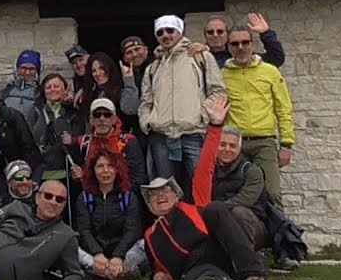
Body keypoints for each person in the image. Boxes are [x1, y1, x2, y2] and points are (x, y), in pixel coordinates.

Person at [140, 96, 269, 280]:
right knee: (200, 278)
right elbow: (155, 266)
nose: (160, 195)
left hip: (214, 251)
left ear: (177, 195)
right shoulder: (150, 236)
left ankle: (252, 275)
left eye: (165, 190)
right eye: (153, 194)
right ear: (150, 206)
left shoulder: (193, 208)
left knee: (215, 208)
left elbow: (206, 166)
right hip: (192, 271)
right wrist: (157, 279)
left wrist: (216, 126)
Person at [139, 14, 226, 200]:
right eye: (160, 32)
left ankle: (203, 227)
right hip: (162, 137)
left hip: (193, 134)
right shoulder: (153, 67)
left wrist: (201, 114)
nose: (165, 35)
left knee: (201, 187)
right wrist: (147, 121)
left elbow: (218, 91)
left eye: (170, 30)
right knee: (166, 192)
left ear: (179, 32)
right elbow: (146, 101)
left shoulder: (200, 57)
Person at [211, 127, 306, 270]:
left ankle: (246, 262)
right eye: (223, 144)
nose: (227, 149)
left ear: (239, 149)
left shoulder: (252, 171)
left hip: (254, 227)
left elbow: (245, 200)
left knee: (239, 212)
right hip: (219, 221)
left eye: (232, 146)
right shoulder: (208, 170)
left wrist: (214, 210)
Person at [221, 24, 296, 204]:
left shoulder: (270, 71)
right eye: (235, 43)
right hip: (234, 144)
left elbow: (283, 108)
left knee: (272, 194)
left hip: (264, 142)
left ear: (253, 44)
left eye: (245, 42)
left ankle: (279, 233)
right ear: (229, 47)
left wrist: (286, 144)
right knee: (238, 195)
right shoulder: (222, 74)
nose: (241, 47)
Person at [74, 149, 145, 280]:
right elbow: (84, 230)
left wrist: (118, 256)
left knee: (144, 244)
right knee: (70, 243)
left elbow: (132, 230)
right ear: (93, 170)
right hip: (94, 255)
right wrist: (97, 254)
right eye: (100, 166)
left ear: (117, 169)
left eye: (110, 166)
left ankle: (107, 273)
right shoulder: (84, 198)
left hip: (123, 254)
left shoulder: (129, 197)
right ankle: (113, 274)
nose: (105, 171)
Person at [73, 99, 148, 194]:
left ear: (114, 119)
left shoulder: (128, 141)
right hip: (93, 199)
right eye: (97, 115)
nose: (102, 119)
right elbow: (80, 178)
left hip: (124, 197)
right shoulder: (83, 143)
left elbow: (139, 176)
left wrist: (120, 195)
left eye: (107, 115)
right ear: (91, 120)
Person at [29, 73, 83, 187]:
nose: (52, 90)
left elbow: (82, 137)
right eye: (48, 87)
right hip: (44, 172)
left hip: (70, 172)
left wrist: (72, 140)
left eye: (56, 86)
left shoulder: (74, 111)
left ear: (65, 89)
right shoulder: (36, 112)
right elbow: (30, 138)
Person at [206, 13, 285, 69]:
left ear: (227, 34)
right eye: (210, 32)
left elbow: (276, 58)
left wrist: (266, 33)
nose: (215, 35)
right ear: (205, 35)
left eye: (220, 31)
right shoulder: (201, 57)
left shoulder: (241, 55)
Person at [82, 51, 129, 123]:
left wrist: (129, 81)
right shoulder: (91, 93)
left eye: (101, 68)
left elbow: (130, 109)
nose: (98, 73)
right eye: (94, 71)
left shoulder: (121, 89)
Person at [118, 36, 151, 133]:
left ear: (146, 50)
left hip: (159, 128)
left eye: (137, 49)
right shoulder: (122, 77)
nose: (135, 54)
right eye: (129, 52)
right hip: (136, 131)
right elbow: (129, 109)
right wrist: (128, 80)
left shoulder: (159, 67)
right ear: (125, 58)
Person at [0, 50, 41, 119]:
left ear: (37, 71)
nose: (27, 72)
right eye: (23, 68)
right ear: (17, 69)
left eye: (31, 69)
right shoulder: (6, 90)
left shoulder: (40, 92)